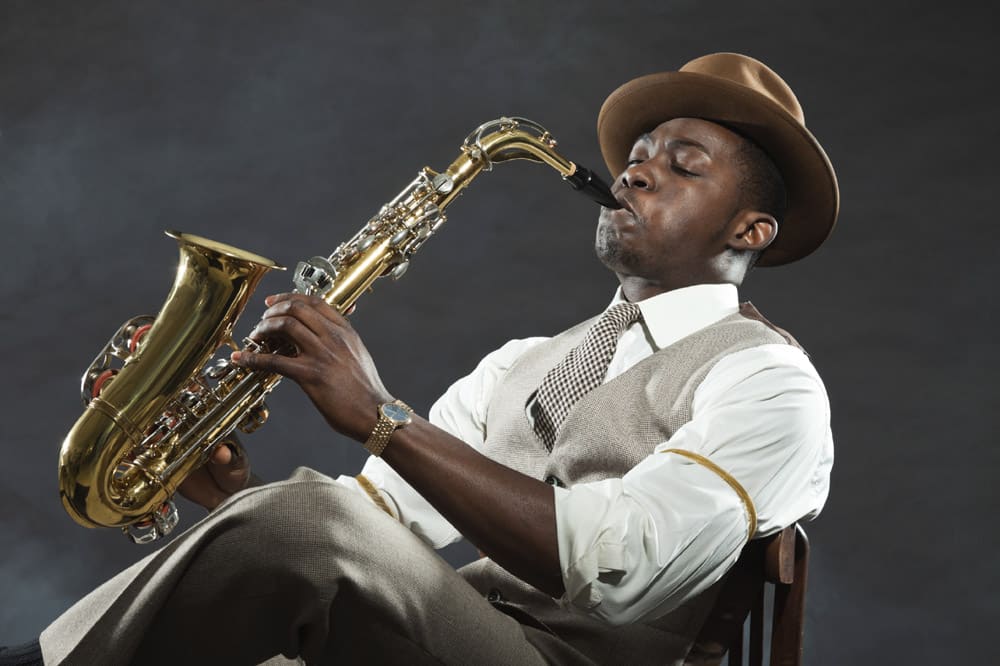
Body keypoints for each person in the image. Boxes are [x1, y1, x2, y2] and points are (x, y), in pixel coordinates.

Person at [4, 52, 837, 665]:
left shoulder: (768, 381)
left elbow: (627, 569)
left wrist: (381, 418)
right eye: (639, 156)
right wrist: (234, 506)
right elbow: (372, 534)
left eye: (682, 166)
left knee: (309, 525)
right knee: (294, 535)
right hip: (459, 642)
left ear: (749, 232)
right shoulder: (524, 360)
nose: (634, 174)